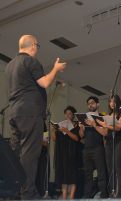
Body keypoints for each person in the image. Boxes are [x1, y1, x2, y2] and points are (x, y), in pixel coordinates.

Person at [5, 34, 66, 199]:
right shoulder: (30, 61)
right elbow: (45, 83)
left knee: (16, 153)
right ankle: (28, 194)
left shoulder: (10, 65)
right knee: (30, 154)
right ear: (33, 46)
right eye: (37, 46)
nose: (37, 49)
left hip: (14, 113)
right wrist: (56, 69)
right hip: (30, 113)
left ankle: (13, 191)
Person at [79, 96, 108, 198]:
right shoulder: (85, 118)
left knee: (101, 172)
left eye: (92, 103)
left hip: (98, 148)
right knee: (88, 174)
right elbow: (81, 136)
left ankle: (104, 195)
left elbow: (105, 133)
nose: (90, 105)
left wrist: (94, 125)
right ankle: (87, 196)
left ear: (97, 104)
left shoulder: (102, 116)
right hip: (86, 149)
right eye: (88, 103)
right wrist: (81, 128)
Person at [52, 106, 80, 199]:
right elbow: (54, 139)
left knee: (72, 175)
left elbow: (77, 138)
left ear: (73, 115)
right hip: (62, 153)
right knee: (63, 175)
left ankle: (71, 197)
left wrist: (67, 131)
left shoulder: (76, 125)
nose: (68, 115)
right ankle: (64, 197)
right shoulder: (60, 125)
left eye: (70, 114)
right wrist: (53, 130)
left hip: (72, 152)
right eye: (66, 113)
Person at [103, 95, 121, 197]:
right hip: (109, 142)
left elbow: (118, 127)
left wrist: (105, 125)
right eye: (110, 101)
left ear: (118, 102)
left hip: (119, 142)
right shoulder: (108, 115)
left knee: (118, 167)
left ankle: (120, 193)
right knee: (110, 168)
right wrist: (95, 124)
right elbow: (105, 132)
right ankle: (112, 191)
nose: (112, 103)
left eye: (114, 101)